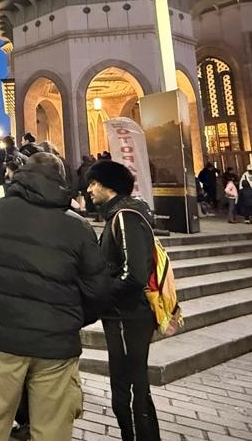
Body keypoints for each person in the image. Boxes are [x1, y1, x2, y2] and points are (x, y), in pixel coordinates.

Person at [0, 152, 110, 440]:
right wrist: (70, 319)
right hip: (57, 345)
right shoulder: (78, 226)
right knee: (52, 430)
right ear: (62, 181)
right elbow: (98, 290)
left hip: (4, 339)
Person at [85, 159, 161, 441]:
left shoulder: (125, 216)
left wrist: (100, 291)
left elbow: (134, 275)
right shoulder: (119, 214)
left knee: (128, 390)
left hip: (127, 316)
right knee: (133, 386)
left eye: (94, 183)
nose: (89, 189)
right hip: (122, 315)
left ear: (109, 186)